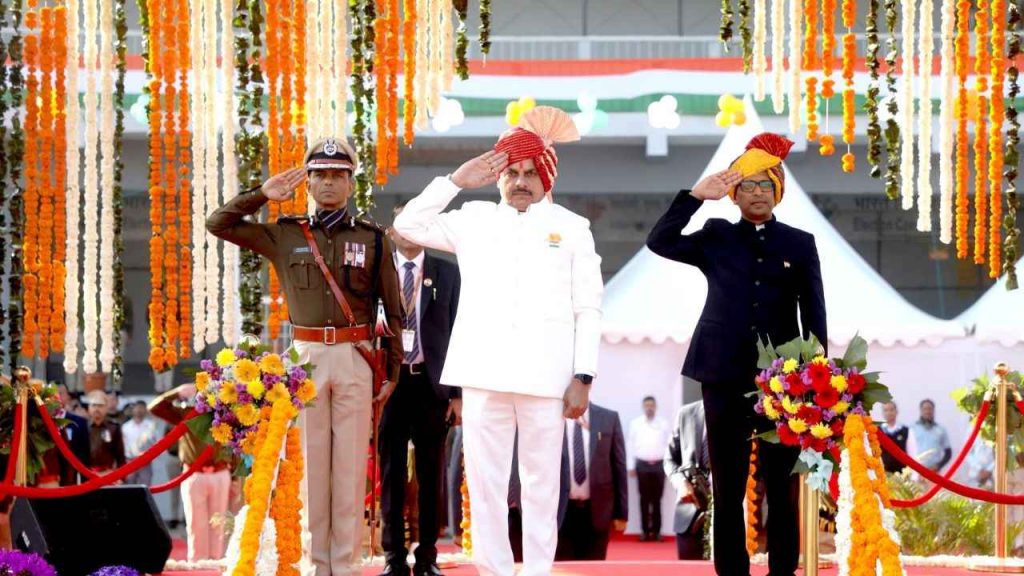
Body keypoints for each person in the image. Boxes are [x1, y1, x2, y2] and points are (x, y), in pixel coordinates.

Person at [394, 106, 603, 576]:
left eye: (531, 172)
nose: (520, 181)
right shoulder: (474, 218)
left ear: (547, 177)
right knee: (484, 484)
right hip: (483, 373)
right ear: (499, 177)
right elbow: (408, 226)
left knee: (542, 485)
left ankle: (536, 572)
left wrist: (583, 376)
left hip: (547, 379)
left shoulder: (572, 228)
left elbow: (588, 308)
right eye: (512, 172)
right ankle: (493, 570)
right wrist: (454, 181)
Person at [206, 137, 404, 576]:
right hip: (306, 357)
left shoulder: (372, 238)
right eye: (320, 175)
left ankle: (346, 567)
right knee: (312, 467)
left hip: (356, 354)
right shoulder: (286, 233)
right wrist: (262, 193)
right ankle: (319, 566)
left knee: (350, 467)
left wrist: (390, 370)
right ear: (309, 182)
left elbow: (394, 308)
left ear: (351, 183)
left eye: (338, 175)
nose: (329, 182)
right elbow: (218, 223)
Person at [647, 132, 827, 576]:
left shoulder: (799, 243)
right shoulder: (716, 235)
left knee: (781, 485)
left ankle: (783, 570)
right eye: (747, 185)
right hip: (721, 371)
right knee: (727, 487)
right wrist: (694, 197)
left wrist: (816, 380)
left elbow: (815, 316)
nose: (757, 193)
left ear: (778, 190)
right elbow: (660, 241)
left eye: (766, 184)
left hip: (782, 383)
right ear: (733, 194)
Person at [379, 202, 462, 576]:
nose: (410, 233)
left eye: (419, 226)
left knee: (432, 476)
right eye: (403, 226)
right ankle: (394, 560)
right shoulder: (376, 274)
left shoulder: (448, 273)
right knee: (391, 475)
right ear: (392, 231)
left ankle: (428, 558)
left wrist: (458, 394)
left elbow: (462, 334)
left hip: (432, 387)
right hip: (389, 386)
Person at [150, 384, 234, 562]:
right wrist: (176, 393)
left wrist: (233, 474)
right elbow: (155, 408)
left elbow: (235, 443)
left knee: (219, 522)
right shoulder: (186, 414)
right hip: (194, 474)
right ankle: (197, 561)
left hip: (220, 472)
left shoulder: (226, 415)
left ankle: (217, 561)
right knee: (196, 523)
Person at [556, 402, 628, 561]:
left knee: (594, 567)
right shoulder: (551, 417)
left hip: (598, 511)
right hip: (561, 512)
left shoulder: (608, 418)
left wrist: (622, 513)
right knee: (563, 568)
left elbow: (619, 466)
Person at [664, 400, 710, 560]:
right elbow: (669, 459)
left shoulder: (741, 412)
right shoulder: (686, 413)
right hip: (689, 511)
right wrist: (681, 483)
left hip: (730, 516)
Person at [628, 395, 671, 541]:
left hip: (659, 465)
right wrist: (631, 465)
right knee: (644, 499)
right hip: (642, 465)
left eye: (652, 405)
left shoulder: (663, 424)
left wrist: (668, 465)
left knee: (657, 500)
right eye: (647, 405)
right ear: (643, 407)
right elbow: (631, 445)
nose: (649, 408)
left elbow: (669, 445)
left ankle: (657, 532)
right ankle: (645, 532)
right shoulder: (636, 424)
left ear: (655, 407)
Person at [83, 390, 126, 475]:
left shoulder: (114, 427)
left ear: (106, 408)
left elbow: (120, 456)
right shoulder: (82, 427)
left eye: (100, 405)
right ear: (88, 408)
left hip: (108, 474)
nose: (97, 409)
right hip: (86, 474)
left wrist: (121, 476)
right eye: (94, 405)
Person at [122, 400, 159, 486]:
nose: (139, 410)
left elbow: (156, 442)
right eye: (137, 407)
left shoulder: (151, 425)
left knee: (145, 488)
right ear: (133, 409)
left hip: (145, 462)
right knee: (129, 487)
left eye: (141, 408)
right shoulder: (126, 427)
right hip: (129, 461)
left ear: (145, 410)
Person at [911, 399, 952, 472]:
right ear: (921, 411)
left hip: (934, 472)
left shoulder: (941, 429)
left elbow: (948, 453)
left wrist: (938, 466)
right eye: (925, 409)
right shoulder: (912, 429)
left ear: (933, 410)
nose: (927, 411)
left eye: (930, 409)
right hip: (916, 472)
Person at [880, 401, 912, 474]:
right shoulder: (877, 431)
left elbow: (912, 454)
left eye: (891, 410)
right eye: (886, 410)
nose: (889, 413)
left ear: (896, 411)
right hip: (883, 474)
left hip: (902, 474)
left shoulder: (905, 431)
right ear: (883, 413)